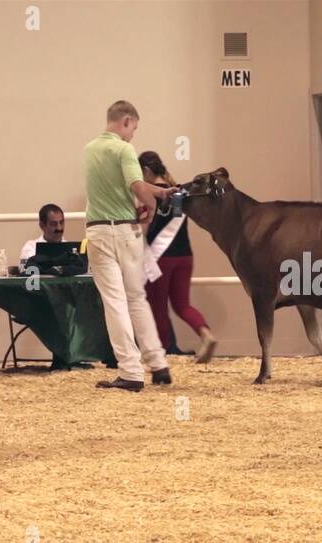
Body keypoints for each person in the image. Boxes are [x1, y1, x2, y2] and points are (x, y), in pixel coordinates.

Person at [84, 100, 175, 391]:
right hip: (128, 232)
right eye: (134, 127)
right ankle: (158, 363)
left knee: (115, 301)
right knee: (136, 298)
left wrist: (158, 191)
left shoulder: (89, 150)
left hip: (99, 232)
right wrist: (150, 206)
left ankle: (131, 371)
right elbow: (136, 187)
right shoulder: (124, 149)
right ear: (125, 121)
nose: (133, 134)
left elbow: (124, 184)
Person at [139, 150, 217, 363]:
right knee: (183, 305)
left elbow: (144, 227)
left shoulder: (148, 193)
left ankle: (165, 351)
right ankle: (206, 335)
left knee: (158, 306)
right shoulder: (179, 193)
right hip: (185, 256)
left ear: (146, 170)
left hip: (161, 258)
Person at [19, 203, 66, 272]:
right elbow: (29, 271)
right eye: (54, 224)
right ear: (42, 225)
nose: (59, 228)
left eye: (61, 222)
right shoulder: (30, 248)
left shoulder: (72, 251)